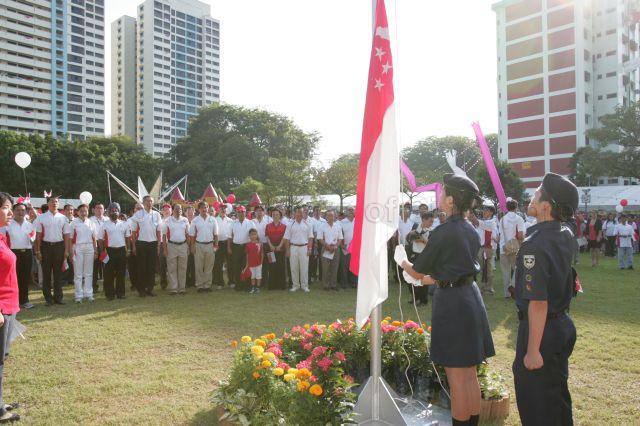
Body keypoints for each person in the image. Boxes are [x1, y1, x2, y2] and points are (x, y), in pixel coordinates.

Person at [395, 173, 495, 426]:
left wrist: (403, 261)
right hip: (469, 297)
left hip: (454, 304)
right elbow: (452, 271)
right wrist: (425, 280)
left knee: (457, 377)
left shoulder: (444, 231)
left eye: (442, 193)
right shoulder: (470, 229)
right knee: (469, 375)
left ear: (450, 200)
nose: (439, 197)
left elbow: (418, 269)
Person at [512, 172, 579, 426]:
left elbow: (538, 303)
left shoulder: (536, 244)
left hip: (542, 331)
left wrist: (532, 351)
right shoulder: (564, 233)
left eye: (538, 192)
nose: (532, 195)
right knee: (556, 398)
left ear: (546, 206)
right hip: (561, 325)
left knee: (537, 405)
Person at [0, 193, 22, 423]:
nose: (10, 212)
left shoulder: (2, 237)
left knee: (2, 356)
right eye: (6, 208)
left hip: (9, 306)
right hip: (1, 308)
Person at [34, 195, 68, 305]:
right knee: (46, 273)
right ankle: (48, 299)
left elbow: (66, 236)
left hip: (59, 246)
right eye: (52, 201)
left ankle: (58, 298)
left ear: (58, 204)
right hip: (46, 247)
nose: (54, 203)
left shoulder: (63, 218)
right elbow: (38, 235)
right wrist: (38, 251)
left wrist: (66, 250)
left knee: (58, 273)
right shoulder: (41, 217)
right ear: (48, 204)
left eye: (56, 202)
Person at [0, 203, 35, 309]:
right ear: (13, 211)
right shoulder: (7, 224)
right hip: (13, 253)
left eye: (23, 210)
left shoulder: (30, 225)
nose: (20, 212)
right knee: (13, 278)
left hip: (27, 253)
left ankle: (24, 300)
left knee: (25, 278)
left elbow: (33, 239)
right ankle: (13, 301)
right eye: (18, 210)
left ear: (26, 212)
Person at [130, 195, 161, 297]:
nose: (149, 203)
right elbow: (134, 232)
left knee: (151, 267)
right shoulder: (138, 214)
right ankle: (141, 290)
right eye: (147, 201)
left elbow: (159, 231)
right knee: (141, 268)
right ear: (143, 203)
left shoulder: (157, 214)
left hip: (153, 243)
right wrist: (134, 246)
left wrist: (158, 245)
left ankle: (150, 288)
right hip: (141, 243)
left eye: (151, 201)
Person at [66, 204, 98, 303]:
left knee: (88, 272)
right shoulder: (73, 223)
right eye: (81, 211)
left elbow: (94, 239)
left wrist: (95, 250)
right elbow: (70, 239)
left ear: (88, 212)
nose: (84, 213)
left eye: (85, 211)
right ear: (77, 212)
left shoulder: (91, 223)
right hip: (78, 247)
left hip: (89, 247)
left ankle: (89, 294)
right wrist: (71, 252)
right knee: (78, 273)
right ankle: (78, 295)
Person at [100, 203, 132, 300]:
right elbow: (100, 239)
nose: (114, 212)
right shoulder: (104, 224)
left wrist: (128, 249)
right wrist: (102, 252)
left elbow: (127, 238)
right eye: (112, 210)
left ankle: (121, 293)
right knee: (108, 274)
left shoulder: (124, 223)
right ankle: (110, 294)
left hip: (121, 250)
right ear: (109, 212)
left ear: (119, 212)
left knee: (121, 273)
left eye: (116, 210)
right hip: (109, 251)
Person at [189, 201, 218, 293]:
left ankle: (207, 285)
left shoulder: (213, 220)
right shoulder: (195, 220)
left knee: (209, 266)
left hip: (210, 245)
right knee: (199, 266)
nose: (204, 209)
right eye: (202, 207)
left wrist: (216, 246)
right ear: (198, 209)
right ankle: (200, 286)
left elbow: (216, 234)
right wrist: (192, 246)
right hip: (199, 245)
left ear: (208, 208)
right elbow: (192, 235)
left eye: (205, 207)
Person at [406, 211, 434, 305]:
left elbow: (431, 245)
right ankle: (415, 297)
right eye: (430, 221)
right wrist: (413, 237)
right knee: (410, 276)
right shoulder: (415, 226)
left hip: (424, 256)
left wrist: (422, 240)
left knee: (422, 278)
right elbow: (409, 237)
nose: (431, 223)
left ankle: (423, 300)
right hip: (413, 254)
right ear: (423, 220)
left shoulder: (432, 230)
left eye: (432, 221)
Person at [499, 199, 525, 299]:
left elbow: (500, 233)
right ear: (516, 207)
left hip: (503, 247)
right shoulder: (519, 219)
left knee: (505, 271)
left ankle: (507, 293)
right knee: (519, 268)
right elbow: (521, 235)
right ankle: (513, 286)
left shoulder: (502, 219)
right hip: (515, 248)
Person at [283, 206, 314, 293]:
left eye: (301, 212)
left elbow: (310, 238)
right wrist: (287, 250)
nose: (299, 214)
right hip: (293, 247)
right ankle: (295, 285)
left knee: (304, 268)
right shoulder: (290, 224)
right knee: (293, 267)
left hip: (304, 247)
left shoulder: (308, 224)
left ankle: (304, 286)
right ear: (294, 213)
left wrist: (310, 249)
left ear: (303, 213)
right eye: (297, 212)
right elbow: (287, 239)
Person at [471, 203, 499, 295]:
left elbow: (476, 222)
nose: (484, 212)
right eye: (484, 210)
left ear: (491, 212)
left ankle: (488, 288)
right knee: (483, 269)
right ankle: (484, 287)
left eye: (486, 210)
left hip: (487, 247)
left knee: (488, 269)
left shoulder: (491, 222)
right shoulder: (486, 221)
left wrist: (470, 210)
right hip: (481, 247)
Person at [163, 204, 190, 295]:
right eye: (177, 209)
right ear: (173, 210)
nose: (178, 210)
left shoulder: (185, 220)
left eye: (180, 209)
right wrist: (165, 249)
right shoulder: (167, 220)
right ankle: (173, 289)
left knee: (183, 268)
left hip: (183, 245)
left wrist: (188, 246)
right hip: (171, 245)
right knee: (172, 268)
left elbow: (187, 234)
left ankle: (182, 288)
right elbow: (164, 236)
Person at [227, 206, 255, 292]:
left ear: (245, 212)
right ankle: (238, 285)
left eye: (242, 212)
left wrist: (252, 247)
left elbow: (254, 236)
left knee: (246, 266)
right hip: (236, 247)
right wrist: (229, 247)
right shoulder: (233, 223)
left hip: (246, 246)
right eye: (239, 212)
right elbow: (230, 236)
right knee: (237, 267)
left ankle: (247, 285)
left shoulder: (250, 223)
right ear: (237, 213)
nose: (241, 214)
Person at [319, 210, 343, 291]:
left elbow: (340, 239)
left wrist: (335, 247)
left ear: (334, 216)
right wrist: (327, 246)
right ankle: (326, 285)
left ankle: (333, 284)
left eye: (332, 215)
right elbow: (320, 238)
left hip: (335, 249)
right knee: (325, 268)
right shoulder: (322, 226)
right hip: (325, 248)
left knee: (334, 267)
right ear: (326, 217)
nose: (330, 217)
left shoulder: (338, 226)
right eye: (328, 215)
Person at [265, 208, 287, 290]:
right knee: (272, 267)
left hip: (280, 250)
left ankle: (281, 285)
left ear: (280, 216)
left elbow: (284, 237)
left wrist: (280, 246)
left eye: (277, 214)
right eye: (273, 214)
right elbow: (267, 236)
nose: (275, 216)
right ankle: (272, 285)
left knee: (281, 267)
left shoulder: (284, 226)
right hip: (271, 250)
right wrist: (271, 245)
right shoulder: (268, 226)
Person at [89, 203, 108, 294]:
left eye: (101, 208)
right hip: (94, 246)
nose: (99, 210)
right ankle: (94, 287)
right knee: (94, 268)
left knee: (107, 267)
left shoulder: (108, 220)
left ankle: (106, 286)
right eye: (97, 208)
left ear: (104, 210)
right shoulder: (90, 220)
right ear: (93, 210)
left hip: (106, 246)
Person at [213, 204, 233, 289]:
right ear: (218, 210)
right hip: (218, 244)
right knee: (218, 264)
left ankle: (231, 281)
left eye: (224, 208)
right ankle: (220, 283)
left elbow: (232, 233)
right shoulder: (214, 220)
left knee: (230, 264)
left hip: (228, 243)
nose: (223, 210)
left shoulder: (230, 220)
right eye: (221, 208)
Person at [252, 205, 272, 290]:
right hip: (256, 246)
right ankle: (258, 283)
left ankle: (267, 282)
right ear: (255, 212)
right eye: (257, 211)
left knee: (269, 263)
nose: (259, 212)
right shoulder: (252, 221)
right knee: (258, 264)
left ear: (263, 212)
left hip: (268, 245)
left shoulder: (268, 220)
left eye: (261, 211)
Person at [339, 207, 357, 289]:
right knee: (344, 266)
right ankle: (344, 283)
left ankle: (353, 283)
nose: (350, 212)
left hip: (355, 248)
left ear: (354, 212)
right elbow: (339, 234)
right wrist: (342, 245)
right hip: (345, 248)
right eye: (349, 211)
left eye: (352, 211)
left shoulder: (357, 221)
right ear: (346, 212)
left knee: (354, 266)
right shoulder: (342, 222)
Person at [127, 203, 142, 291]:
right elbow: (128, 235)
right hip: (132, 243)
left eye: (141, 208)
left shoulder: (145, 219)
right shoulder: (129, 221)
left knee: (141, 265)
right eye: (137, 208)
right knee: (132, 266)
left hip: (142, 244)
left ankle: (141, 283)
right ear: (134, 210)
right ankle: (134, 284)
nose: (139, 210)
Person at [245, 229, 263, 294]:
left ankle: (258, 288)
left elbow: (262, 253)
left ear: (257, 235)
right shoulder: (248, 245)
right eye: (252, 234)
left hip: (258, 264)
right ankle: (253, 287)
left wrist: (261, 262)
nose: (253, 236)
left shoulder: (259, 244)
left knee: (258, 276)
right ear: (249, 236)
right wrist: (247, 263)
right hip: (251, 264)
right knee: (252, 276)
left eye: (255, 234)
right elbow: (247, 254)